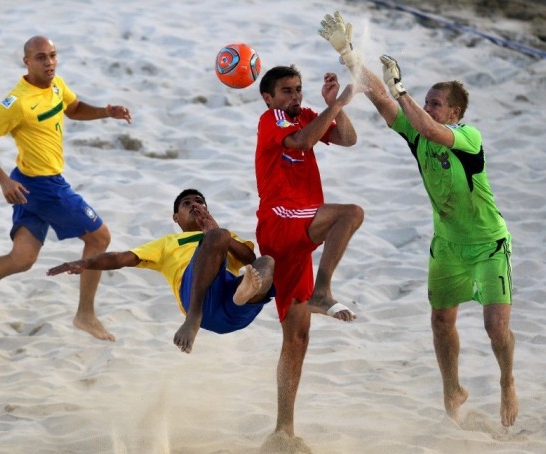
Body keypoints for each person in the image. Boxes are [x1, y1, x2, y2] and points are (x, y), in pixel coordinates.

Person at [319, 11, 518, 427]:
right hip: (447, 245)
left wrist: (404, 92)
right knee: (441, 320)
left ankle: (506, 382)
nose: (426, 108)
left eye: (435, 103)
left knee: (496, 329)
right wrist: (349, 54)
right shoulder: (416, 130)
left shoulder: (467, 137)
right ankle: (452, 387)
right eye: (425, 101)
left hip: (488, 244)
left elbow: (426, 127)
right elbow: (379, 96)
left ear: (454, 113)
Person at [0, 35, 133, 342]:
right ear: (26, 61)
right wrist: (2, 180)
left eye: (52, 55)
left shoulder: (56, 84)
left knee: (21, 259)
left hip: (28, 183)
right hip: (44, 187)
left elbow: (73, 108)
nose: (49, 62)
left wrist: (106, 111)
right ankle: (86, 314)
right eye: (40, 57)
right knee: (100, 237)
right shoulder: (16, 102)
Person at [254, 63, 364, 446]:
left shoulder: (307, 115)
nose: (295, 96)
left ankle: (284, 427)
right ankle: (324, 289)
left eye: (298, 89)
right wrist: (336, 106)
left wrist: (335, 104)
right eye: (287, 90)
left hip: (300, 230)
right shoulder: (272, 120)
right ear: (269, 97)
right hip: (279, 221)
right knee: (350, 213)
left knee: (297, 335)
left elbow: (349, 139)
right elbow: (301, 143)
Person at [47, 189, 275, 353]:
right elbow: (121, 258)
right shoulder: (168, 243)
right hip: (198, 303)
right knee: (219, 237)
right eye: (187, 203)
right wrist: (86, 263)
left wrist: (215, 231)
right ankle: (194, 318)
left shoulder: (223, 234)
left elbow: (250, 260)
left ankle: (242, 295)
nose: (195, 205)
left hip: (233, 311)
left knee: (266, 262)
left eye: (200, 202)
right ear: (176, 218)